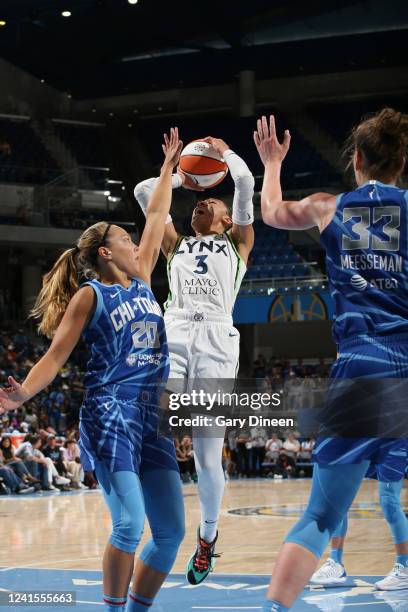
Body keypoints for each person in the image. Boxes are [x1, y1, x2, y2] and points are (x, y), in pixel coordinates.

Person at [0, 128, 185, 612]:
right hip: (111, 413)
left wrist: (167, 168)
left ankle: (137, 608)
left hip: (152, 414)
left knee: (170, 533)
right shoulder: (91, 295)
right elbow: (57, 355)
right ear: (106, 252)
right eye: (124, 238)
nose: (133, 241)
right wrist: (23, 395)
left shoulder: (143, 276)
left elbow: (158, 214)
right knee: (129, 524)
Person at [254, 108, 408, 611]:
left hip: (364, 366)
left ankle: (276, 608)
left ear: (357, 159)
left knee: (320, 517)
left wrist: (272, 163)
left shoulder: (327, 206)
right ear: (401, 161)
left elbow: (272, 212)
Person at [135, 136, 255, 584]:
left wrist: (225, 155)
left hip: (218, 341)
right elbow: (145, 193)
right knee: (154, 421)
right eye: (195, 203)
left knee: (208, 456)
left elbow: (243, 182)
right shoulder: (174, 243)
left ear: (227, 220)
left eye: (207, 206)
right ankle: (149, 516)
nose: (197, 206)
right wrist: (177, 174)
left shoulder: (240, 242)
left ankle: (207, 538)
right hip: (176, 330)